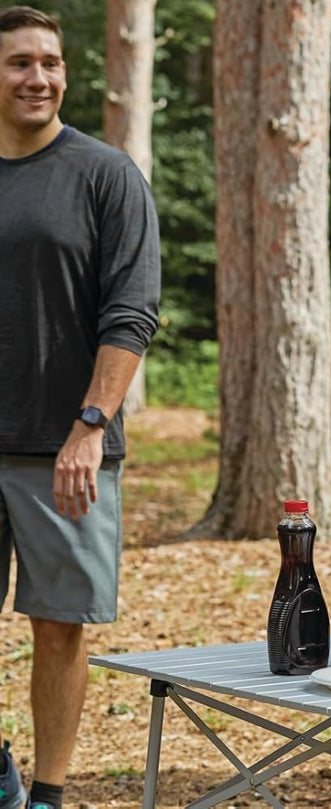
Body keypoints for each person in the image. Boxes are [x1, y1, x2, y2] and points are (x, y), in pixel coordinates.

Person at [0, 6, 161, 809]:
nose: (39, 77)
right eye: (20, 62)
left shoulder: (104, 174)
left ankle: (49, 796)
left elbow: (131, 311)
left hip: (62, 445)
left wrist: (90, 427)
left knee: (60, 626)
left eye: (51, 63)